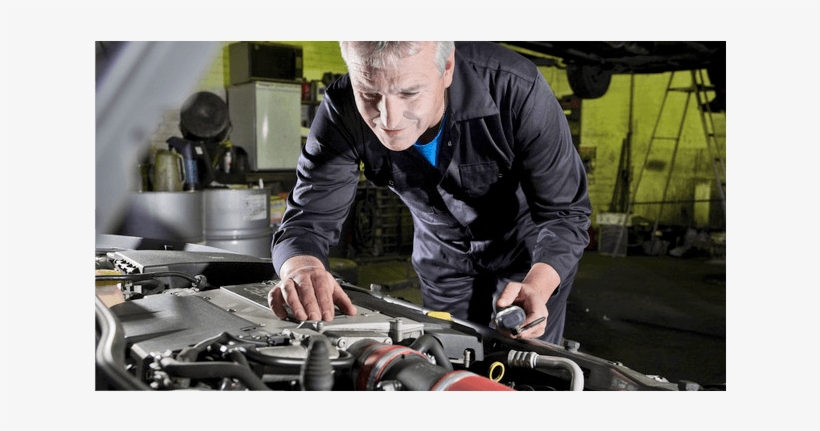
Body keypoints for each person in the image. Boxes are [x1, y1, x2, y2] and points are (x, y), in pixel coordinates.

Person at [268, 41, 591, 344]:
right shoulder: (342, 108)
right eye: (369, 93)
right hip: (442, 260)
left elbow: (565, 214)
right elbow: (306, 220)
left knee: (527, 372)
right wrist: (301, 267)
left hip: (529, 258)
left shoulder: (516, 88)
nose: (389, 119)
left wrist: (538, 285)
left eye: (409, 92)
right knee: (448, 363)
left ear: (447, 67)